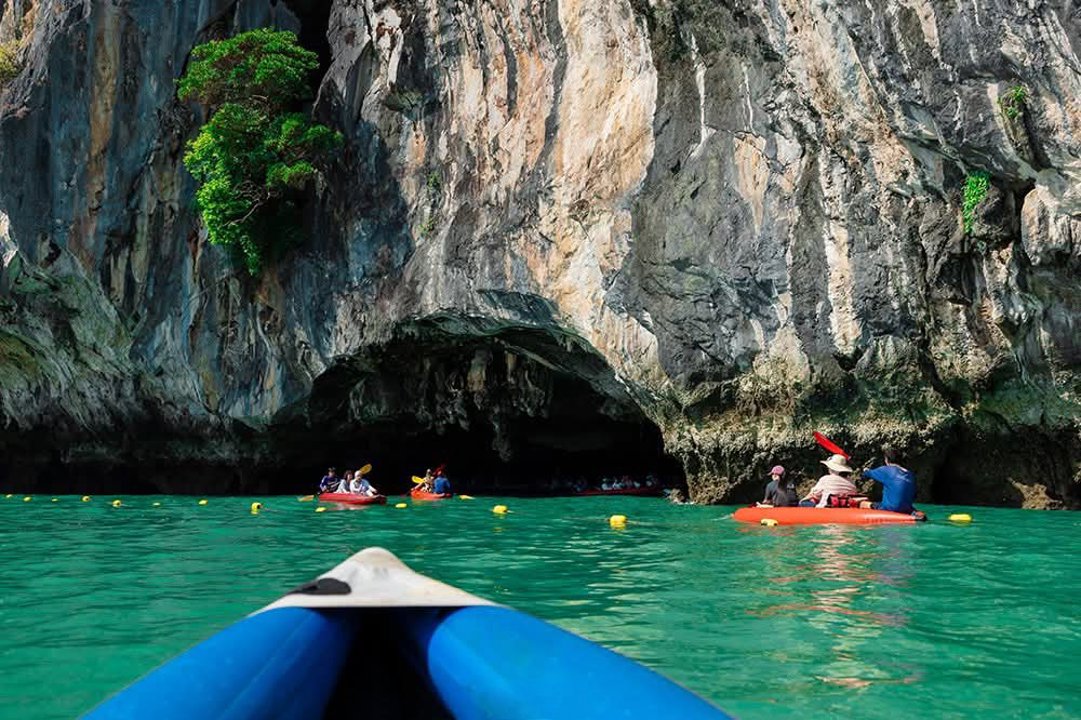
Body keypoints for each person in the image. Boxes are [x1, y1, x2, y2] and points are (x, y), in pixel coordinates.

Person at [859, 446, 916, 513]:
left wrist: (865, 470)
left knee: (862, 503)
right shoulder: (910, 474)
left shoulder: (886, 470)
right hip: (908, 509)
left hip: (890, 509)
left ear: (886, 460)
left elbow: (868, 473)